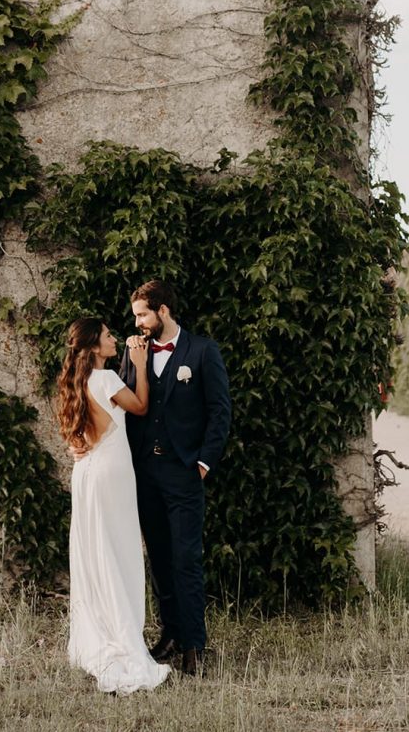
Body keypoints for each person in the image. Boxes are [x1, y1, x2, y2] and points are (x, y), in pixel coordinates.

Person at [119, 279, 231, 677]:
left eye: (142, 314)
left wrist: (203, 463)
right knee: (160, 559)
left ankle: (195, 646)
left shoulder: (202, 352)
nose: (137, 322)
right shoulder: (134, 352)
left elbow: (220, 412)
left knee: (186, 559)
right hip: (144, 472)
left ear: (163, 311)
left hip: (184, 474)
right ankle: (171, 635)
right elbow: (124, 403)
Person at [57, 317, 171, 695]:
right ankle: (122, 635)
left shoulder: (75, 383)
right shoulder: (105, 380)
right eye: (107, 336)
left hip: (87, 473)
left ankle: (99, 631)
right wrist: (138, 366)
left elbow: (76, 436)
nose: (114, 339)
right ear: (92, 346)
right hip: (112, 474)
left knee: (95, 552)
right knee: (119, 553)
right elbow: (139, 407)